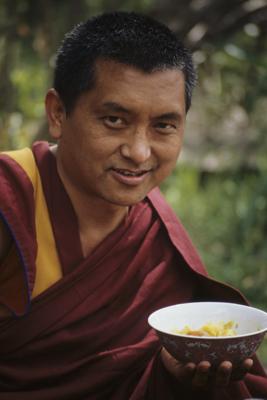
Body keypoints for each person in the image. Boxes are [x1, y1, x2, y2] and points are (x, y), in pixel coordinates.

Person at [0, 11, 266, 400]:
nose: (139, 152)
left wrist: (172, 372)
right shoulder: (11, 199)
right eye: (114, 119)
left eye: (163, 126)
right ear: (58, 113)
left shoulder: (154, 229)